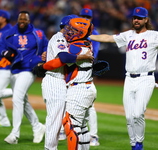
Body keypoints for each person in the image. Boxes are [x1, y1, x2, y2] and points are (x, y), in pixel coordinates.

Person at [87, 7, 157, 150]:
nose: (136, 20)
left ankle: (139, 143)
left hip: (146, 78)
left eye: (139, 18)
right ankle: (133, 145)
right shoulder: (128, 35)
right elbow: (107, 38)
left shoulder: (154, 35)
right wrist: (86, 36)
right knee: (129, 117)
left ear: (146, 20)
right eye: (134, 18)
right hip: (129, 79)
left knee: (138, 114)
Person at [40, 15, 94, 150]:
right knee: (55, 118)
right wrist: (44, 65)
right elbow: (63, 57)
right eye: (69, 28)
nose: (70, 31)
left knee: (71, 122)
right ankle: (50, 148)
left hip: (63, 81)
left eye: (73, 28)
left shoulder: (72, 41)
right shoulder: (59, 37)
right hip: (54, 80)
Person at [0, 10, 48, 144]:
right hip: (15, 69)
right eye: (20, 20)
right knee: (23, 100)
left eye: (25, 20)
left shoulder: (38, 33)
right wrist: (4, 52)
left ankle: (14, 135)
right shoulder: (10, 33)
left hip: (30, 69)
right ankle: (38, 127)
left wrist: (45, 54)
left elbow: (47, 46)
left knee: (17, 98)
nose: (22, 22)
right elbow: (1, 47)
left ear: (29, 21)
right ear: (17, 20)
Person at [80, 8, 100, 146]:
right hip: (72, 73)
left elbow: (93, 54)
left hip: (86, 71)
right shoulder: (73, 32)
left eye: (88, 17)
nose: (85, 19)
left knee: (90, 105)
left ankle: (93, 135)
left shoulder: (94, 34)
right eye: (83, 16)